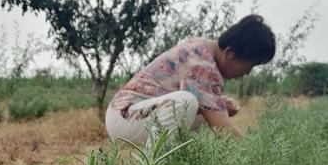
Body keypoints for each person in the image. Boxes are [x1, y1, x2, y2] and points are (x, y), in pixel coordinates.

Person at [105, 14, 276, 145]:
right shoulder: (204, 68)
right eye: (250, 65)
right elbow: (222, 129)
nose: (247, 72)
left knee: (201, 111)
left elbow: (201, 99)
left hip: (132, 115)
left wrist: (219, 105)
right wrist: (258, 156)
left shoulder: (203, 48)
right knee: (187, 103)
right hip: (126, 116)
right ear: (230, 54)